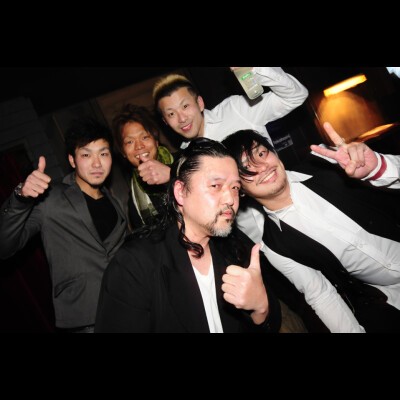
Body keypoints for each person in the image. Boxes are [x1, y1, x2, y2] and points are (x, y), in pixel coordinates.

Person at [222, 126, 400, 333]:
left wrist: (379, 167)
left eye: (261, 154)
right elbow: (321, 296)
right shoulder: (275, 245)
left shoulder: (327, 163)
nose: (262, 167)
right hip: (391, 297)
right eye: (246, 167)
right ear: (239, 188)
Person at [95, 138, 281, 333]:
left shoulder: (236, 248)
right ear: (181, 192)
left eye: (235, 188)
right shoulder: (134, 264)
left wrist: (261, 308)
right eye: (216, 186)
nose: (230, 199)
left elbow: (271, 322)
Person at [0, 118, 127, 332]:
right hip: (87, 319)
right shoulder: (50, 199)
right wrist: (21, 197)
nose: (97, 163)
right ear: (72, 160)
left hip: (128, 306)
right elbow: (4, 246)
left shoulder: (113, 201)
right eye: (86, 155)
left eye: (103, 154)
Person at [111, 104, 174, 229]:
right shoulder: (134, 202)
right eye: (130, 141)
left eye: (144, 137)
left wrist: (172, 174)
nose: (139, 146)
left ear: (156, 142)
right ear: (123, 152)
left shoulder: (186, 162)